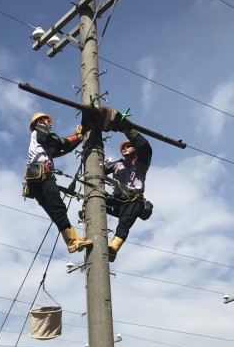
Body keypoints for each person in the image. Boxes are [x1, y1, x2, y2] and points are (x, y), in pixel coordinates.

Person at [23, 112, 92, 254]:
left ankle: (72, 241)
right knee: (58, 208)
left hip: (33, 179)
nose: (50, 124)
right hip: (43, 174)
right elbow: (59, 143)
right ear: (41, 121)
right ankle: (72, 241)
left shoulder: (39, 141)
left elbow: (60, 149)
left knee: (56, 211)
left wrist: (78, 138)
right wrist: (76, 136)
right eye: (48, 121)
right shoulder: (40, 130)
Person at [104, 125, 152, 261]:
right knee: (98, 198)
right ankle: (88, 210)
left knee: (124, 223)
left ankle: (113, 248)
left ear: (135, 148)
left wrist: (125, 128)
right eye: (123, 148)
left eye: (128, 146)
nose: (125, 148)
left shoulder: (142, 162)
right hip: (118, 201)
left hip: (133, 199)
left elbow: (145, 147)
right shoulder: (117, 165)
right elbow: (97, 171)